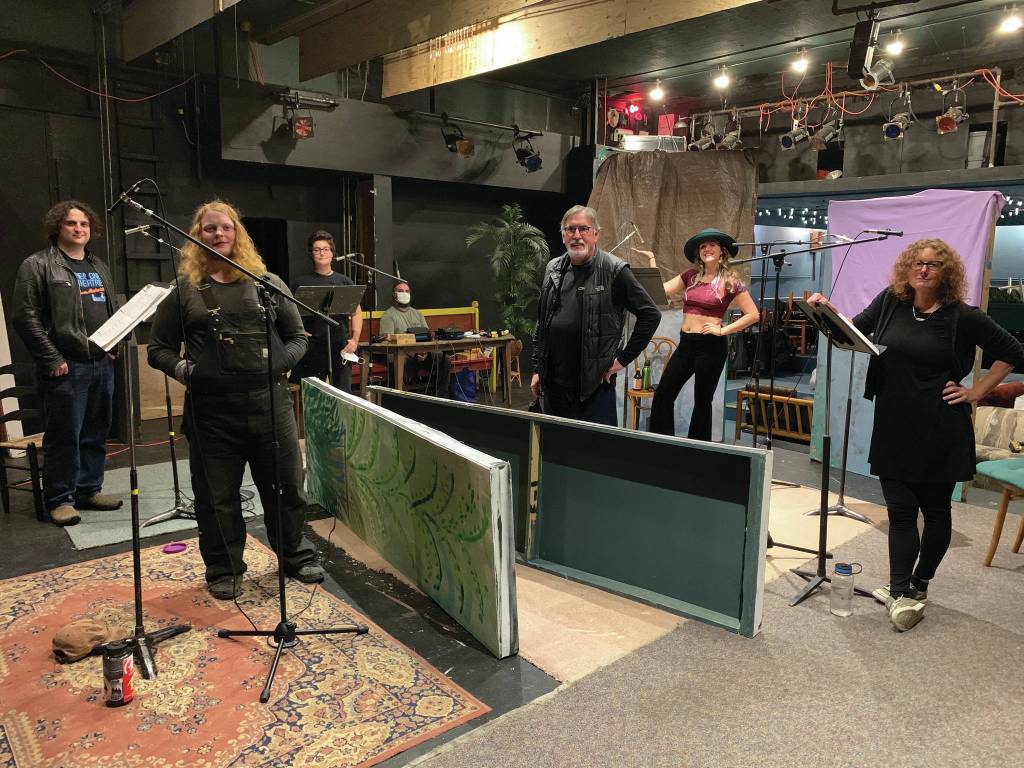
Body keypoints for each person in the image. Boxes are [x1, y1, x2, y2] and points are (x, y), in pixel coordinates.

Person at [809, 238, 1024, 632]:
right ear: (907, 268)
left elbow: (1013, 351)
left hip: (941, 426)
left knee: (936, 511)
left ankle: (919, 585)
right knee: (901, 512)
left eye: (934, 264)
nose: (924, 270)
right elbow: (854, 331)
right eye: (918, 263)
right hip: (893, 423)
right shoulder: (890, 302)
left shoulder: (964, 316)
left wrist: (977, 391)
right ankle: (899, 590)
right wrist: (828, 312)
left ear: (947, 272)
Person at [147, 201, 323, 600]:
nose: (218, 234)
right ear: (197, 235)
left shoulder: (267, 283)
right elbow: (158, 349)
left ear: (237, 233)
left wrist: (281, 364)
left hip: (270, 407)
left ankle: (296, 555)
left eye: (225, 227)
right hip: (212, 414)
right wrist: (187, 371)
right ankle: (224, 568)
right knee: (216, 497)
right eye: (210, 228)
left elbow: (298, 337)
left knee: (287, 489)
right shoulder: (184, 291)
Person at [12, 200, 124, 527]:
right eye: (71, 223)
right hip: (66, 366)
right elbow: (25, 317)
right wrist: (51, 357)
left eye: (84, 224)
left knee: (96, 431)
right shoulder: (38, 265)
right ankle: (60, 499)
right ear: (57, 227)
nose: (79, 229)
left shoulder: (97, 265)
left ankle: (88, 489)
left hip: (100, 362)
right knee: (64, 436)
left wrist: (113, 345)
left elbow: (108, 309)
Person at [531, 205, 660, 425]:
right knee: (556, 443)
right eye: (570, 229)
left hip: (595, 387)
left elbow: (650, 315)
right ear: (563, 235)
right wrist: (538, 369)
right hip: (555, 385)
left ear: (596, 234)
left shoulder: (614, 270)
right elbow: (542, 324)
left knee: (595, 445)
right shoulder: (553, 269)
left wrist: (622, 360)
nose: (577, 235)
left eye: (584, 229)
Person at [636, 227, 760, 440]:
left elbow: (753, 314)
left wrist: (723, 329)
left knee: (702, 402)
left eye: (712, 245)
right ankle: (662, 445)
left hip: (710, 347)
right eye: (703, 246)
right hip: (686, 344)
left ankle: (698, 450)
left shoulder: (731, 281)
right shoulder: (690, 276)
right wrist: (652, 261)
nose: (707, 249)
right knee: (663, 395)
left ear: (722, 251)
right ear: (698, 253)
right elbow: (659, 291)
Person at [289, 230, 363, 392]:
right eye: (317, 250)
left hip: (341, 346)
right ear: (312, 254)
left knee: (343, 395)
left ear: (332, 253)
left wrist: (355, 339)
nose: (321, 253)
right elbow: (289, 313)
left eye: (325, 249)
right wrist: (299, 332)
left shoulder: (345, 281)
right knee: (311, 395)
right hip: (312, 346)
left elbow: (356, 312)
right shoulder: (300, 282)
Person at [379, 281, 430, 385]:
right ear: (394, 294)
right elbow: (386, 340)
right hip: (404, 354)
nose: (404, 293)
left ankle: (441, 393)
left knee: (442, 358)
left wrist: (425, 352)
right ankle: (400, 392)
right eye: (400, 291)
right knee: (396, 359)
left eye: (407, 291)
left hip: (422, 353)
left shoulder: (418, 314)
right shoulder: (388, 315)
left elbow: (427, 335)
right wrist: (411, 353)